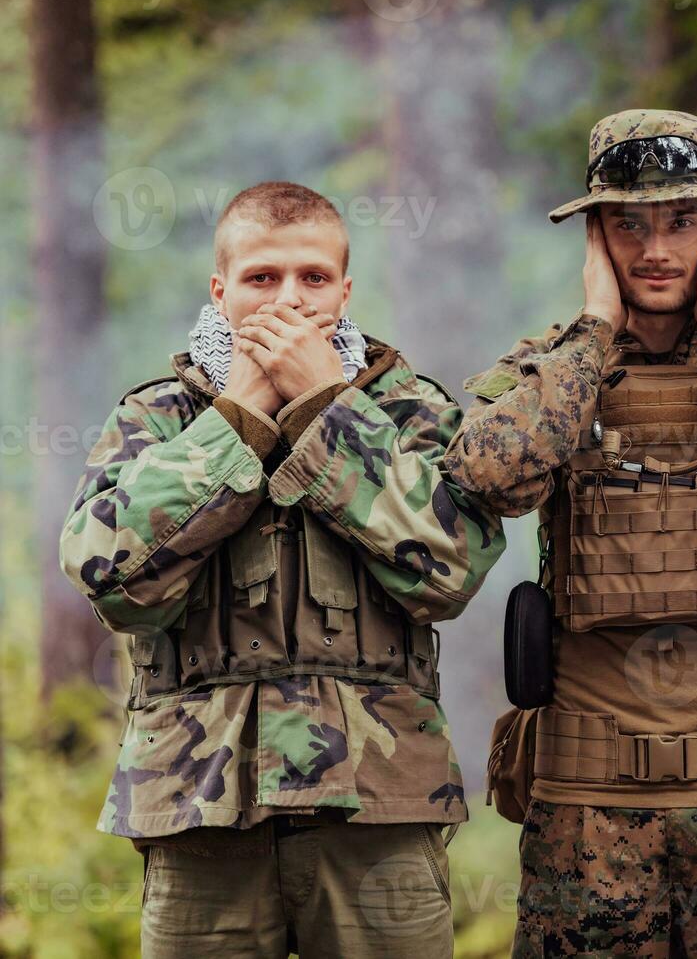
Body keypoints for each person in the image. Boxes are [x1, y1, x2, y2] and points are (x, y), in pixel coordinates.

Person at [444, 109, 697, 957]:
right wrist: (594, 332)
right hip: (589, 805)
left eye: (682, 220)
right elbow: (485, 475)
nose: (656, 248)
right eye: (628, 224)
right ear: (595, 235)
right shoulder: (548, 372)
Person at [59, 181, 502, 958]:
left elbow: (452, 567)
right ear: (220, 288)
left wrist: (323, 408)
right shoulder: (159, 416)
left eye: (313, 278)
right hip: (200, 810)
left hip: (380, 808)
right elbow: (107, 573)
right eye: (263, 278)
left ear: (345, 288)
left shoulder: (409, 411)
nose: (289, 301)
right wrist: (237, 421)